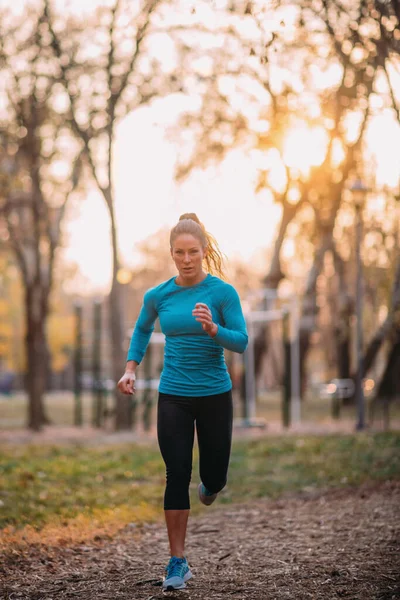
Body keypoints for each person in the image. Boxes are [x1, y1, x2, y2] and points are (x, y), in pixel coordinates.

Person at [117, 213, 248, 591]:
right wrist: (130, 369)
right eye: (179, 252)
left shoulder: (223, 293)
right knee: (176, 474)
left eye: (193, 252)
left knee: (213, 478)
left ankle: (212, 485)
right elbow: (142, 329)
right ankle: (177, 562)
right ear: (171, 254)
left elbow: (240, 340)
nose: (186, 259)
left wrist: (213, 329)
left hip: (214, 395)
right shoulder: (158, 295)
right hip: (173, 393)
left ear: (204, 252)